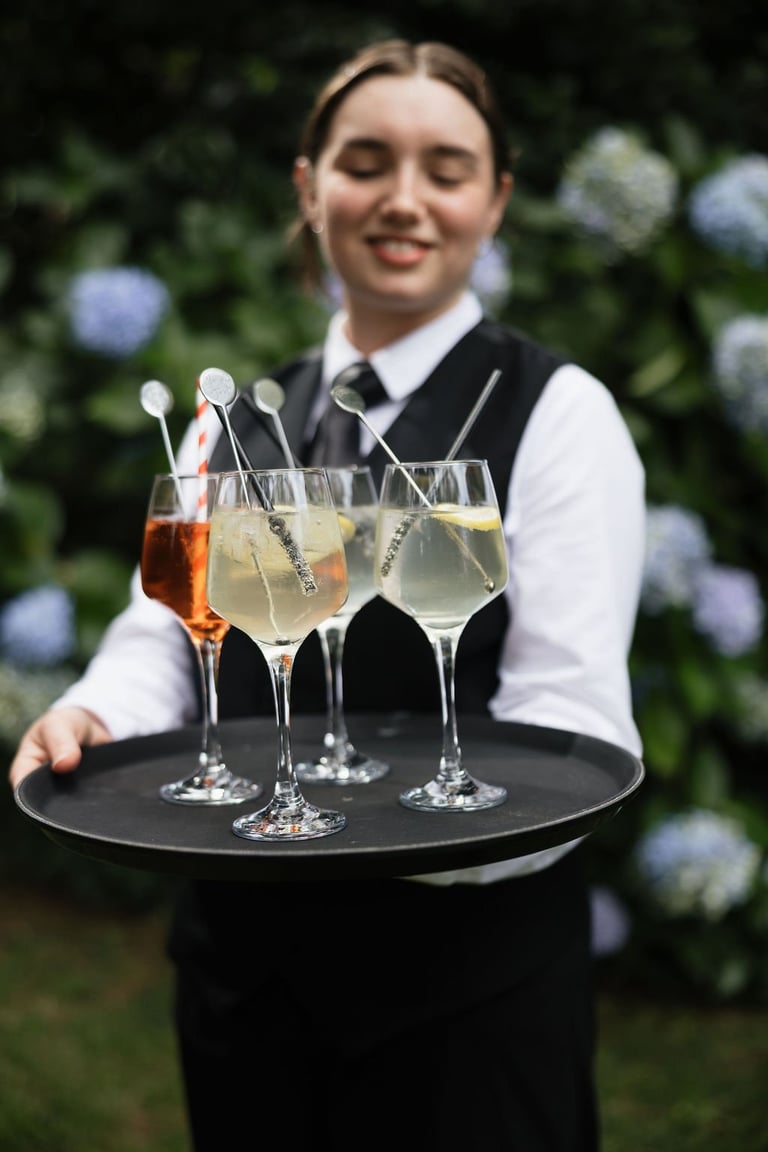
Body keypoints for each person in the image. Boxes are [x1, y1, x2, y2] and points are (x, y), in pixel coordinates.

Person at [9, 39, 645, 1152]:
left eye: (446, 169)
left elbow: (574, 721)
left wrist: (357, 827)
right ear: (310, 190)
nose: (405, 199)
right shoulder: (230, 421)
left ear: (495, 202)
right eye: (366, 161)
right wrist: (100, 713)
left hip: (466, 1005)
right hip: (243, 987)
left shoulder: (560, 413)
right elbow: (166, 627)